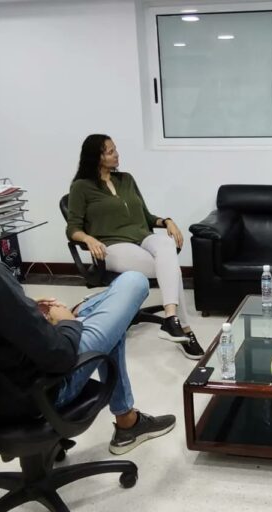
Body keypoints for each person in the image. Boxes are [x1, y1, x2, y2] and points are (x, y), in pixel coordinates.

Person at [0, 133, 175, 455]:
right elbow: (59, 355)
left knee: (106, 309)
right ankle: (127, 421)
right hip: (38, 395)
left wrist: (21, 308)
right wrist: (66, 322)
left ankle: (127, 418)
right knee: (133, 283)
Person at [66, 134, 203, 359]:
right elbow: (72, 228)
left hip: (142, 237)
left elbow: (146, 216)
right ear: (96, 157)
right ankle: (184, 329)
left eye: (115, 149)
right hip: (111, 246)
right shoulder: (81, 187)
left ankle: (171, 318)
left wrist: (167, 221)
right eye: (110, 151)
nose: (116, 154)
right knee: (171, 268)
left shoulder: (126, 179)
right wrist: (89, 239)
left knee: (166, 245)